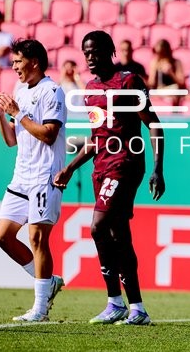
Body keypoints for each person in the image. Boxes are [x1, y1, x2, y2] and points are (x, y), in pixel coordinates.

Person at [54, 30, 165, 325]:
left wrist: (158, 168)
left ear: (109, 51)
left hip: (125, 163)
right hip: (101, 167)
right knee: (118, 235)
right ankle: (135, 308)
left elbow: (153, 124)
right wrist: (70, 167)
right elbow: (96, 137)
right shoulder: (91, 89)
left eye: (95, 51)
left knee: (98, 227)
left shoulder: (128, 82)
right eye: (86, 53)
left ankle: (115, 300)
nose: (90, 58)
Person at [0, 39, 66, 322]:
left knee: (37, 239)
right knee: (2, 237)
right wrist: (1, 115)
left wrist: (17, 113)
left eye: (18, 61)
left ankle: (40, 309)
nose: (14, 67)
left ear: (34, 62)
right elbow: (12, 140)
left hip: (44, 176)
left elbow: (49, 134)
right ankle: (48, 282)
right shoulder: (20, 91)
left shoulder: (52, 91)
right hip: (21, 176)